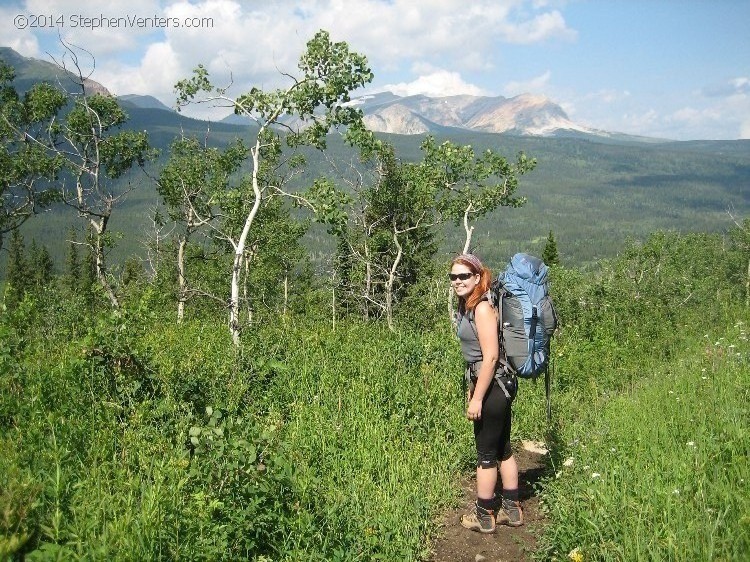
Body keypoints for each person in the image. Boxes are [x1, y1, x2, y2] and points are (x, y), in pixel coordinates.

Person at [450, 253, 523, 534]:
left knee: (485, 454)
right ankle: (512, 510)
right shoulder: (470, 305)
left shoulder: (481, 308)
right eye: (453, 277)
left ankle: (484, 515)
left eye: (463, 276)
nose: (457, 281)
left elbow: (491, 357)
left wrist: (477, 397)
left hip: (493, 387)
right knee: (503, 448)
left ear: (478, 277)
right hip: (498, 385)